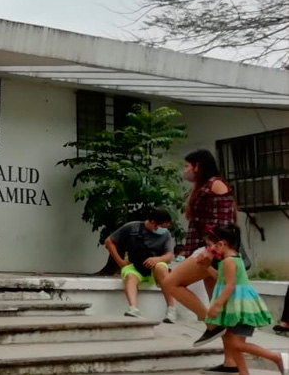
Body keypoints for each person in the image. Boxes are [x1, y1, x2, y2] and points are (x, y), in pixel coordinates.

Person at [161, 150, 250, 373]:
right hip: (207, 250)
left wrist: (211, 250)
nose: (185, 170)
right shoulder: (203, 187)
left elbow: (224, 222)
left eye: (187, 166)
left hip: (212, 252)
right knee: (223, 307)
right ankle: (230, 362)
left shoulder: (216, 185)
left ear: (198, 166)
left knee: (170, 283)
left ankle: (210, 322)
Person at [199, 225, 288, 375]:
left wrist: (217, 305)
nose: (208, 250)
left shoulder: (229, 261)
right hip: (238, 307)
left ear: (221, 244)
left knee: (236, 344)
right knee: (232, 342)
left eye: (209, 246)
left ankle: (277, 357)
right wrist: (207, 267)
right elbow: (222, 279)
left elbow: (230, 285)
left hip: (241, 308)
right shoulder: (232, 259)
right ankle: (243, 372)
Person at [104, 208, 177, 322]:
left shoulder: (166, 235)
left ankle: (171, 310)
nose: (163, 230)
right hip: (135, 264)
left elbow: (169, 255)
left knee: (161, 269)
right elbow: (109, 242)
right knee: (130, 276)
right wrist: (120, 261)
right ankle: (133, 309)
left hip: (155, 265)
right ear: (153, 223)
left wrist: (157, 259)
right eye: (162, 227)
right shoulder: (131, 228)